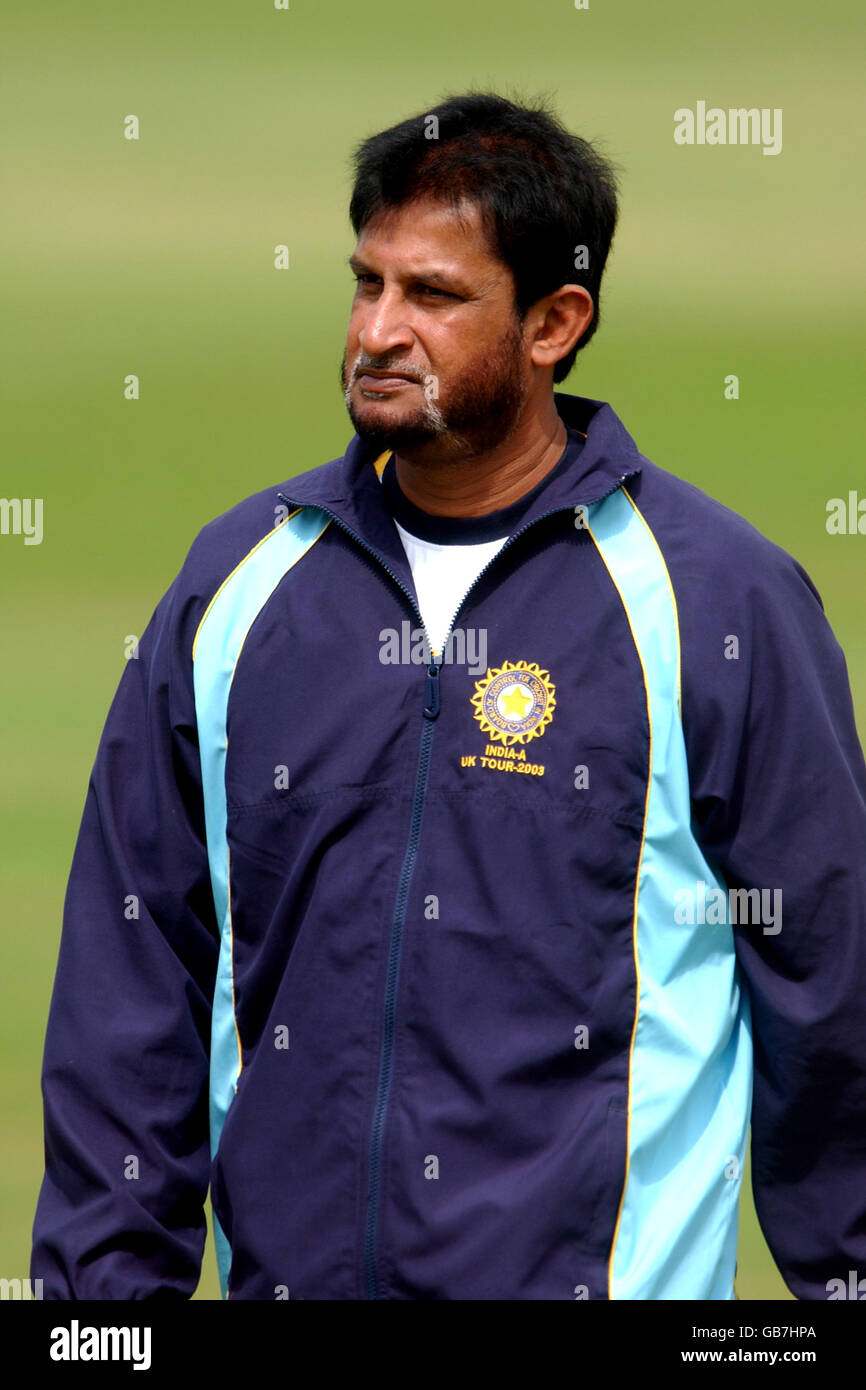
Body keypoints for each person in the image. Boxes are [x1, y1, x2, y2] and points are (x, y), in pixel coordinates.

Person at [32, 91, 866, 1301]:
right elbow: (134, 970)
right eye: (365, 283)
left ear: (553, 321)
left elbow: (829, 1000)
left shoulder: (716, 605)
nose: (377, 331)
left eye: (431, 296)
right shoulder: (240, 583)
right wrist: (99, 1311)